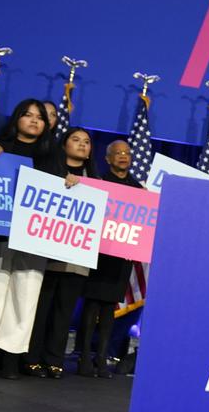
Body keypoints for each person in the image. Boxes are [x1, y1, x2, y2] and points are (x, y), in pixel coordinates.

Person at [23, 127, 98, 379]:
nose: (81, 145)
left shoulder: (96, 180)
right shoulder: (49, 172)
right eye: (75, 140)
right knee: (41, 308)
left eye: (86, 142)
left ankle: (54, 360)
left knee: (64, 310)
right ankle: (31, 358)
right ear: (64, 145)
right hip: (47, 254)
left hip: (78, 257)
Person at [0, 99, 55, 380]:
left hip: (33, 238)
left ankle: (11, 358)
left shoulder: (51, 156)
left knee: (25, 295)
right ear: (16, 119)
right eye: (27, 115)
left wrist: (70, 181)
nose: (33, 120)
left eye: (39, 117)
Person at [79, 140, 142, 378]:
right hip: (98, 254)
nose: (123, 156)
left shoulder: (138, 189)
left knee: (109, 309)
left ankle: (101, 358)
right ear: (108, 158)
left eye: (127, 153)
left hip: (121, 258)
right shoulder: (99, 183)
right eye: (118, 153)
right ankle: (85, 355)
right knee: (91, 305)